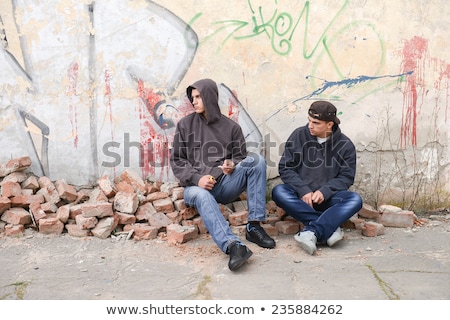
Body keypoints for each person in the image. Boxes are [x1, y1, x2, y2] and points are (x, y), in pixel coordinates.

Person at [170, 78, 275, 271]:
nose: (193, 102)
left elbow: (240, 155)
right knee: (201, 194)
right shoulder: (185, 125)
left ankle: (254, 226)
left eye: (198, 97)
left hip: (224, 184)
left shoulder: (232, 127)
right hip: (195, 188)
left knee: (256, 161)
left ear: (209, 97)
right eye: (192, 98)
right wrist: (197, 179)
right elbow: (177, 160)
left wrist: (231, 164)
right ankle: (233, 246)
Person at [271, 101, 362, 255]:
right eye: (309, 121)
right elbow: (286, 167)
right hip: (302, 199)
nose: (310, 126)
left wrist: (325, 191)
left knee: (355, 200)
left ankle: (312, 231)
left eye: (316, 123)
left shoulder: (345, 145)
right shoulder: (299, 135)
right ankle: (329, 227)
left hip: (329, 199)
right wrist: (303, 190)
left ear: (329, 125)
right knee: (279, 191)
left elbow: (346, 177)